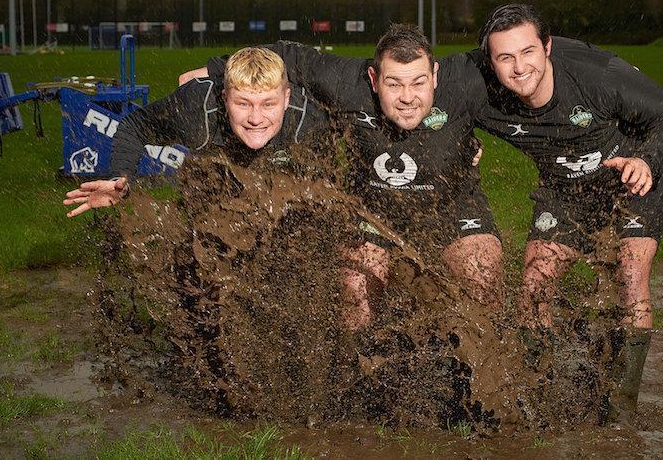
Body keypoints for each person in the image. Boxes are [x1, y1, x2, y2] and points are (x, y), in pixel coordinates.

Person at [196, 25, 504, 330]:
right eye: (394, 84)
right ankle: (363, 367)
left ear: (435, 75)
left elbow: (520, 61)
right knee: (355, 295)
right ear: (373, 78)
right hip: (373, 212)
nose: (407, 97)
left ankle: (482, 369)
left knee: (482, 276)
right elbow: (289, 54)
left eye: (419, 83)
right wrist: (215, 70)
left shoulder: (464, 79)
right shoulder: (346, 82)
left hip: (453, 209)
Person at [472, 4, 663, 418]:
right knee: (535, 282)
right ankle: (533, 396)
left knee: (630, 272)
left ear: (547, 47)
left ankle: (621, 408)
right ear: (490, 60)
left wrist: (647, 160)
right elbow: (421, 89)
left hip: (631, 176)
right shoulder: (476, 80)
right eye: (505, 57)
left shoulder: (598, 75)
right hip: (564, 189)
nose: (519, 68)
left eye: (528, 52)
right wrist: (461, 140)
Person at [61, 47, 327, 218]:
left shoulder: (308, 121)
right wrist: (120, 178)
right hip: (212, 184)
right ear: (224, 98)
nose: (256, 119)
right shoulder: (195, 108)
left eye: (268, 104)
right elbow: (135, 126)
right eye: (243, 103)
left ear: (287, 98)